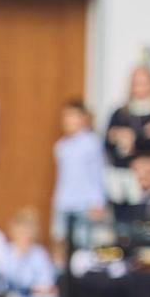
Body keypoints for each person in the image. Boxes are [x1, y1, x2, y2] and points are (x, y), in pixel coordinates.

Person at [105, 64, 150, 206]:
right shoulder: (120, 114)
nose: (140, 87)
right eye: (136, 83)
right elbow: (108, 143)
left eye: (144, 83)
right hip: (124, 181)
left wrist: (133, 138)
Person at [51, 99, 106, 253]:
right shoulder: (61, 147)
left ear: (83, 118)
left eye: (73, 115)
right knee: (60, 242)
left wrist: (98, 202)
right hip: (64, 201)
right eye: (66, 116)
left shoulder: (92, 143)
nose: (68, 120)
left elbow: (97, 174)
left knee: (82, 245)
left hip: (84, 203)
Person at [0, 210, 59, 297]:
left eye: (26, 232)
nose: (23, 236)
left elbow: (46, 280)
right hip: (12, 294)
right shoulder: (7, 251)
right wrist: (20, 256)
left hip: (34, 296)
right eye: (20, 232)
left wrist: (39, 289)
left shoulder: (39, 253)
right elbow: (2, 278)